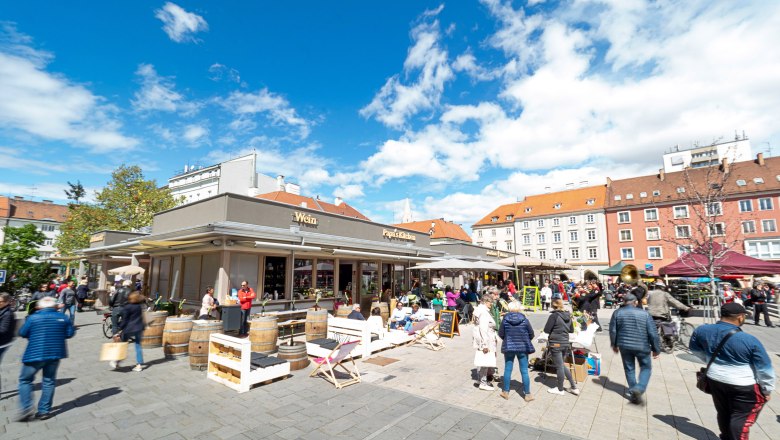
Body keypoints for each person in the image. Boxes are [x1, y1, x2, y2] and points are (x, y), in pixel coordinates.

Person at [689, 303, 775, 440]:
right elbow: (765, 368)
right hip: (743, 384)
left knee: (723, 411)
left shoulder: (702, 330)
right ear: (740, 317)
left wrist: (710, 359)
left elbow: (694, 349)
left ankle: (726, 437)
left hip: (715, 379)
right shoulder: (749, 340)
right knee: (741, 417)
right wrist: (767, 389)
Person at [16, 297, 76, 421]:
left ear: (39, 307)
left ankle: (26, 408)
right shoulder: (64, 317)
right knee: (49, 382)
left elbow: (22, 332)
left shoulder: (32, 318)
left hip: (34, 354)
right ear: (55, 306)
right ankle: (44, 411)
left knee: (25, 380)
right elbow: (69, 334)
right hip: (55, 354)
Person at [609, 293, 661, 405]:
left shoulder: (617, 313)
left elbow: (613, 331)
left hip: (624, 346)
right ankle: (640, 388)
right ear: (635, 302)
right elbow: (653, 333)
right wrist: (656, 349)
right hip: (642, 346)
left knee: (629, 369)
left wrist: (614, 345)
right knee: (646, 368)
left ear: (624, 302)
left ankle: (634, 391)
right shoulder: (644, 314)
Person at [498, 300, 535, 401]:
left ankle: (505, 392)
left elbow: (501, 333)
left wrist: (507, 340)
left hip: (509, 347)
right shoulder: (525, 320)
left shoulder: (505, 320)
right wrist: (525, 340)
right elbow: (531, 333)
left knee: (507, 369)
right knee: (524, 371)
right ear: (519, 308)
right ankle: (527, 394)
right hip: (523, 348)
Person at [543, 299, 579, 396]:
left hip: (556, 343)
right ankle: (573, 386)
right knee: (562, 365)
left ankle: (560, 389)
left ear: (553, 306)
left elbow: (546, 330)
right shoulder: (568, 315)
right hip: (565, 343)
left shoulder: (554, 316)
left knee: (559, 366)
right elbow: (571, 330)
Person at [111, 291, 146, 372]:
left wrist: (119, 329)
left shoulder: (127, 307)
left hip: (129, 328)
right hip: (139, 328)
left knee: (123, 345)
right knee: (138, 346)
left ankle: (117, 361)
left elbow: (125, 320)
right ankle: (139, 365)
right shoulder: (139, 306)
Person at [473, 293, 498, 391]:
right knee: (485, 361)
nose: (491, 304)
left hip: (484, 339)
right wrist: (484, 344)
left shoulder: (480, 310)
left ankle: (481, 380)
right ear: (486, 301)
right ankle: (483, 383)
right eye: (490, 302)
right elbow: (483, 329)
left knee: (483, 361)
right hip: (486, 340)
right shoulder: (484, 312)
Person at [0, 293, 15, 397]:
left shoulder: (8, 314)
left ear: (6, 302)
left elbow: (3, 330)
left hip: (2, 343)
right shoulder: (2, 310)